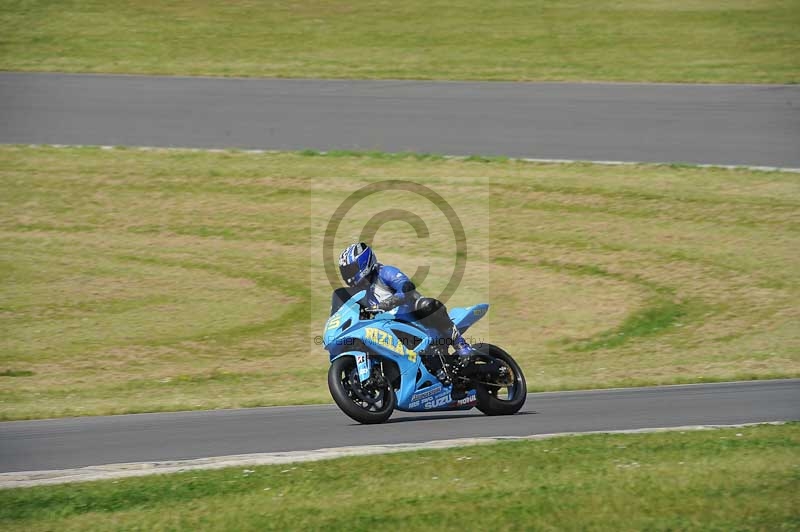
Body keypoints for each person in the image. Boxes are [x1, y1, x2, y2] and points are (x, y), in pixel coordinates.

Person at [337, 242, 475, 360]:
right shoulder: (360, 294)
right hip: (388, 329)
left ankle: (460, 344)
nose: (348, 275)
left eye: (350, 270)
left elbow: (407, 287)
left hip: (413, 318)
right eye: (345, 271)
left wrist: (386, 304)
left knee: (426, 305)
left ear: (362, 263)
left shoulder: (385, 272)